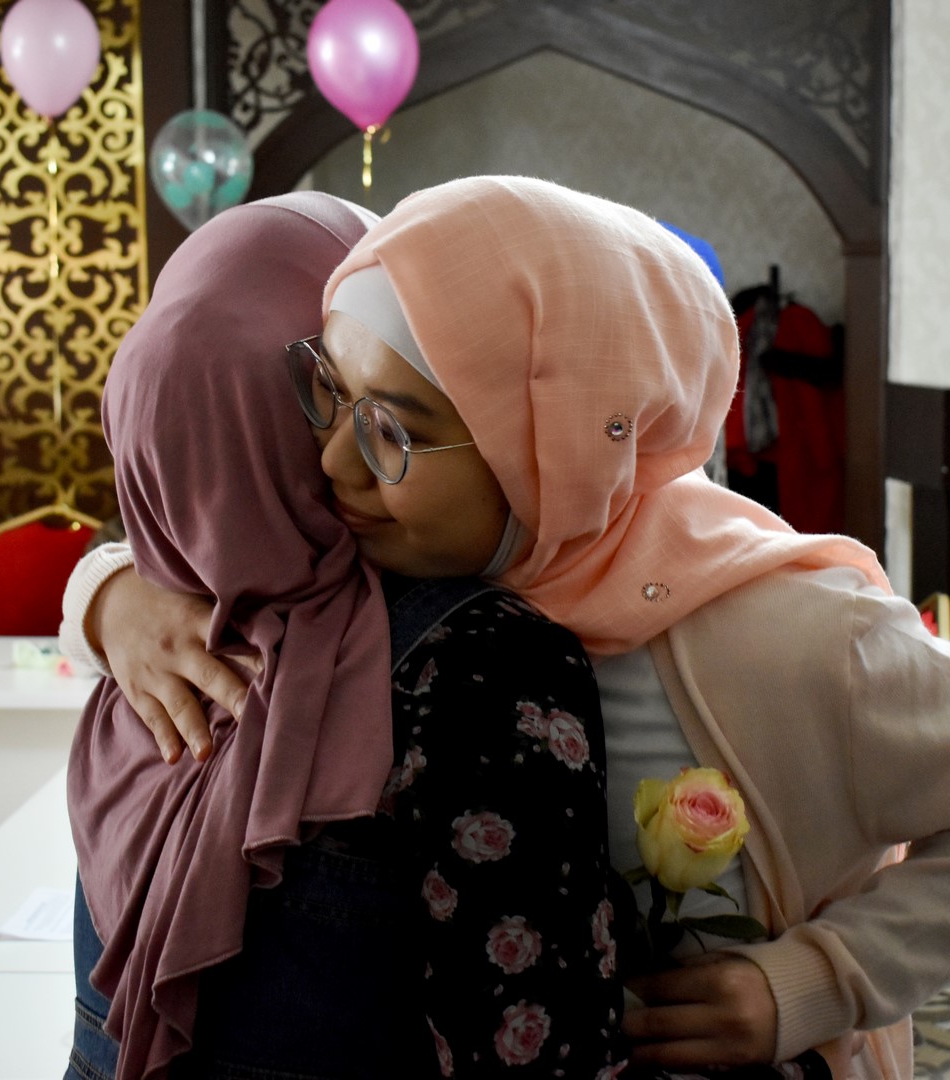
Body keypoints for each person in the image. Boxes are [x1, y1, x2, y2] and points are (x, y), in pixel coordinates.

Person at [65, 176, 950, 1079]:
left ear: (549, 443)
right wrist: (111, 595)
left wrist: (814, 980)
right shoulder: (413, 575)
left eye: (393, 430)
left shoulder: (791, 630)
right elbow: (222, 558)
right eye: (330, 396)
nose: (333, 464)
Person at [63, 191, 631, 1080]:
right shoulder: (473, 658)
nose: (340, 452)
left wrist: (98, 592)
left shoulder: (148, 652)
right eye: (327, 389)